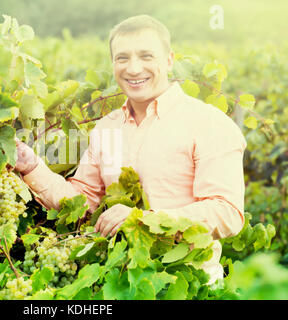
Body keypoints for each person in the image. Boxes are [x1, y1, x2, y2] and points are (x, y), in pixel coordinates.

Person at [14, 15, 247, 285]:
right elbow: (85, 202)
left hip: (189, 284)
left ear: (169, 59)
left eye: (146, 56)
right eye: (122, 58)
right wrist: (32, 167)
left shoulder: (208, 123)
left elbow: (227, 212)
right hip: (120, 281)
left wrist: (143, 220)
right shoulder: (108, 129)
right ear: (113, 64)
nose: (133, 68)